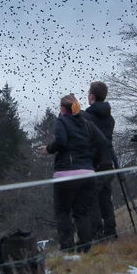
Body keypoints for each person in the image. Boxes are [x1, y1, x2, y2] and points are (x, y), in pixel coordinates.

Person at [41, 93, 106, 253]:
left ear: (63, 109)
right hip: (87, 174)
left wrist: (48, 149)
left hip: (66, 174)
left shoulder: (61, 121)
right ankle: (84, 246)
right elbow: (103, 142)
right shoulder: (87, 123)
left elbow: (61, 141)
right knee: (81, 212)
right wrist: (93, 164)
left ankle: (68, 247)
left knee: (63, 211)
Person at [81, 82, 118, 243]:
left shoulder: (86, 117)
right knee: (106, 200)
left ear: (91, 96)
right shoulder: (110, 118)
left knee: (91, 200)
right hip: (108, 162)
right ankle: (110, 232)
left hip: (94, 163)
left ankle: (97, 235)